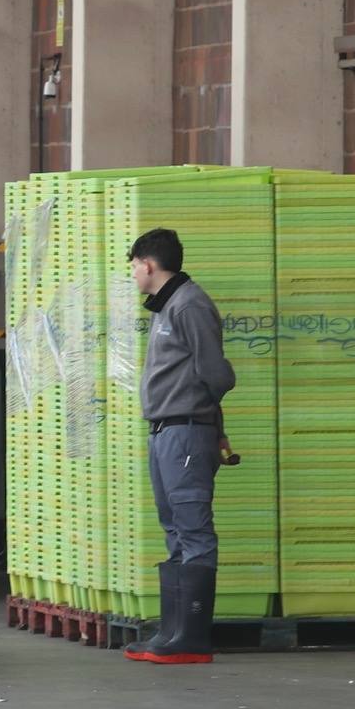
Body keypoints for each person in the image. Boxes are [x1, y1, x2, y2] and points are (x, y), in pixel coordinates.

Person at [121, 228, 235, 665]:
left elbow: (216, 373)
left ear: (149, 265)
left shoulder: (189, 305)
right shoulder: (167, 307)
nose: (133, 274)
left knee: (193, 529)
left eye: (133, 266)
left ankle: (191, 636)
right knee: (174, 529)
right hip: (167, 431)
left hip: (186, 430)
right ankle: (172, 630)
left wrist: (207, 421)